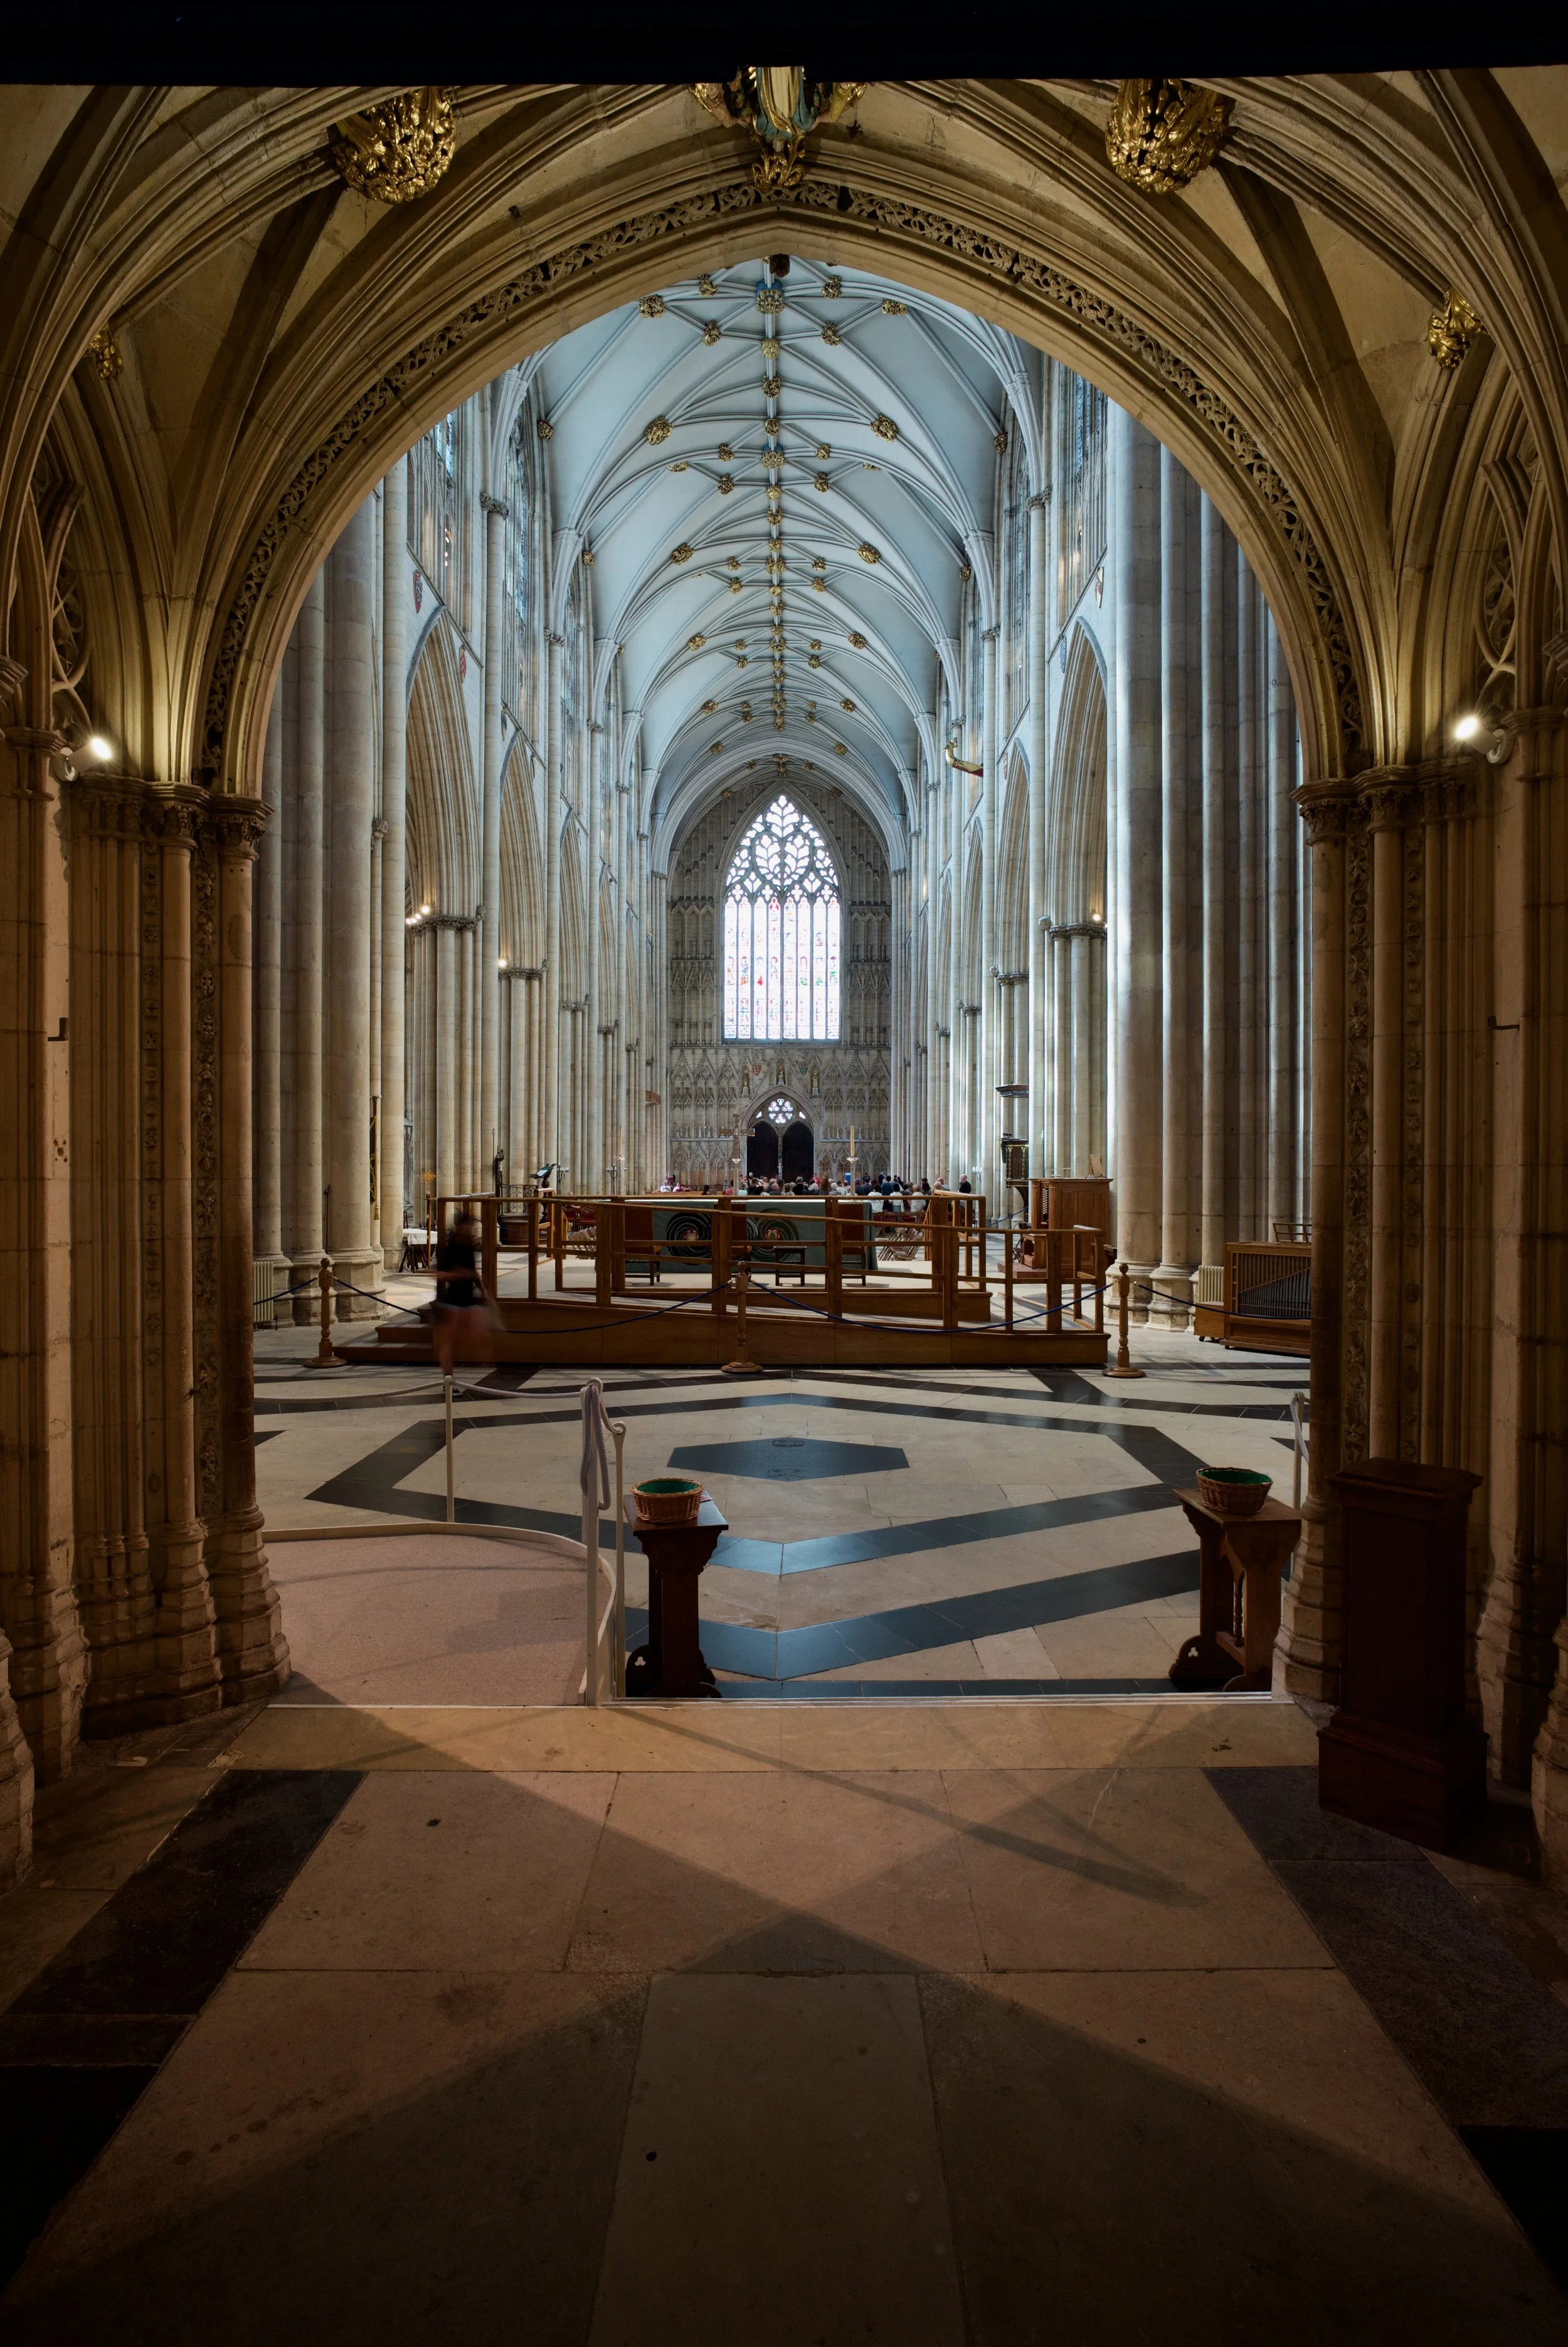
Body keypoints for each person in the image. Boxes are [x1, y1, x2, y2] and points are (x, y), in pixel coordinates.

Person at [432, 1209, 491, 1376]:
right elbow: (440, 1274)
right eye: (468, 1225)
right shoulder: (448, 1247)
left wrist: (482, 1288)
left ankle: (489, 1374)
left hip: (468, 1298)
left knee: (482, 1335)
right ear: (460, 1227)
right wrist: (458, 1274)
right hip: (452, 1299)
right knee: (448, 1342)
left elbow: (473, 1271)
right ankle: (448, 1380)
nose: (470, 1229)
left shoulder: (469, 1246)